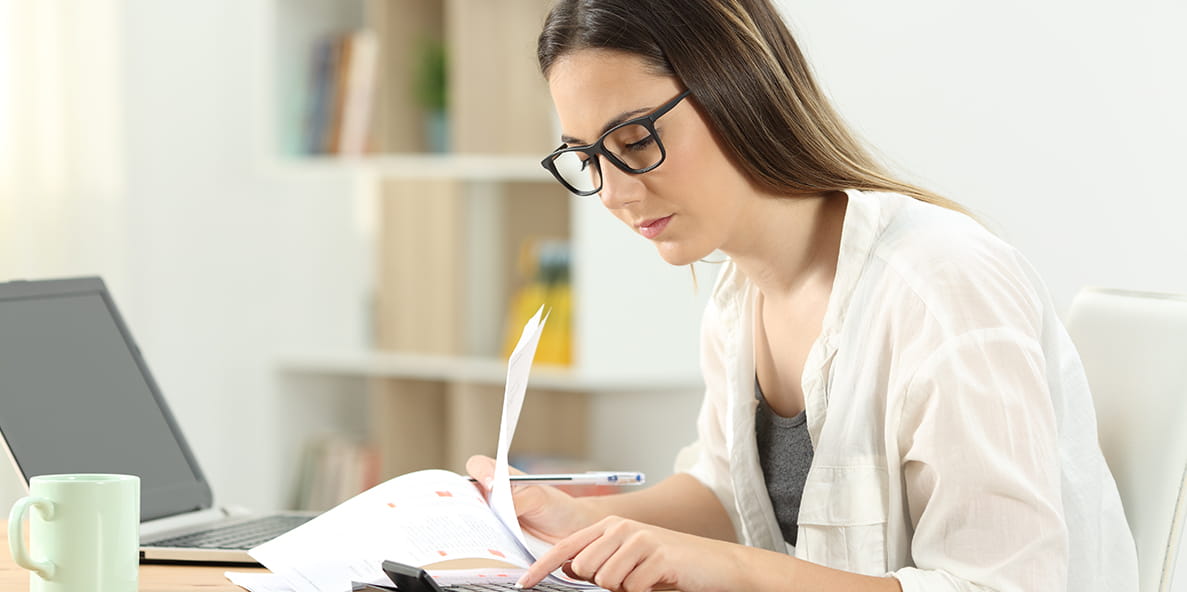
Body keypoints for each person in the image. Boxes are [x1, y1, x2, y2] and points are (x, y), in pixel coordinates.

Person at [467, 1, 1139, 590]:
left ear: (737, 89)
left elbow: (1002, 587)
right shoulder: (737, 300)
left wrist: (730, 570)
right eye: (586, 159)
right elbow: (730, 493)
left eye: (635, 141)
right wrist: (579, 519)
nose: (613, 194)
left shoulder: (940, 287)